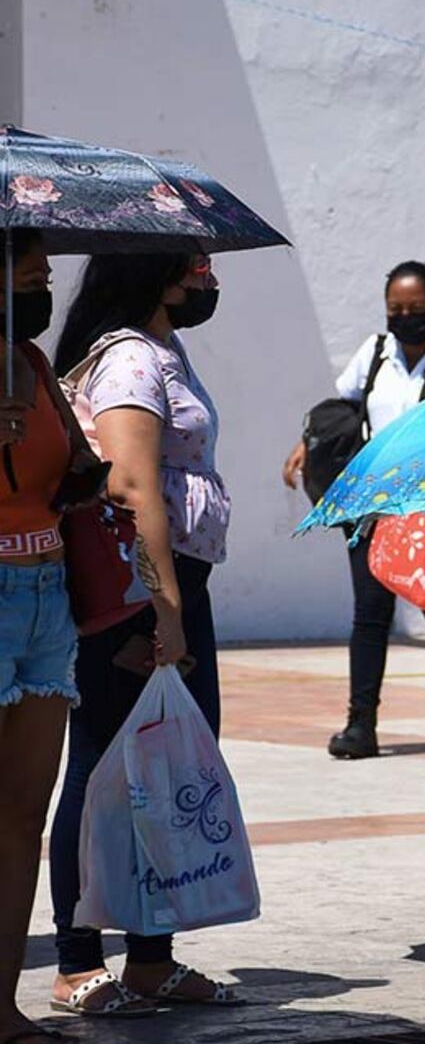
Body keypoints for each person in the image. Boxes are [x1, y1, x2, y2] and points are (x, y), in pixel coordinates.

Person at [49, 253, 240, 1016]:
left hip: (176, 584)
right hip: (139, 589)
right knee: (103, 772)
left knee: (166, 771)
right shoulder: (129, 357)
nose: (209, 282)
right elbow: (132, 488)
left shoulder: (162, 348)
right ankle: (75, 961)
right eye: (197, 267)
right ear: (156, 274)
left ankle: (152, 960)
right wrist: (163, 612)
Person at [283, 261, 425, 759]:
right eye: (396, 309)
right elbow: (342, 407)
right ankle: (360, 724)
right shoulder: (375, 354)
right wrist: (308, 446)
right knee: (370, 615)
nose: (406, 317)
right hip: (373, 505)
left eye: (416, 309)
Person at [0, 230, 97, 1044]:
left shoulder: (32, 366)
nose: (42, 281)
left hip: (46, 598)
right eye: (25, 268)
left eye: (44, 270)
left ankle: (2, 1004)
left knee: (21, 816)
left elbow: (73, 479)